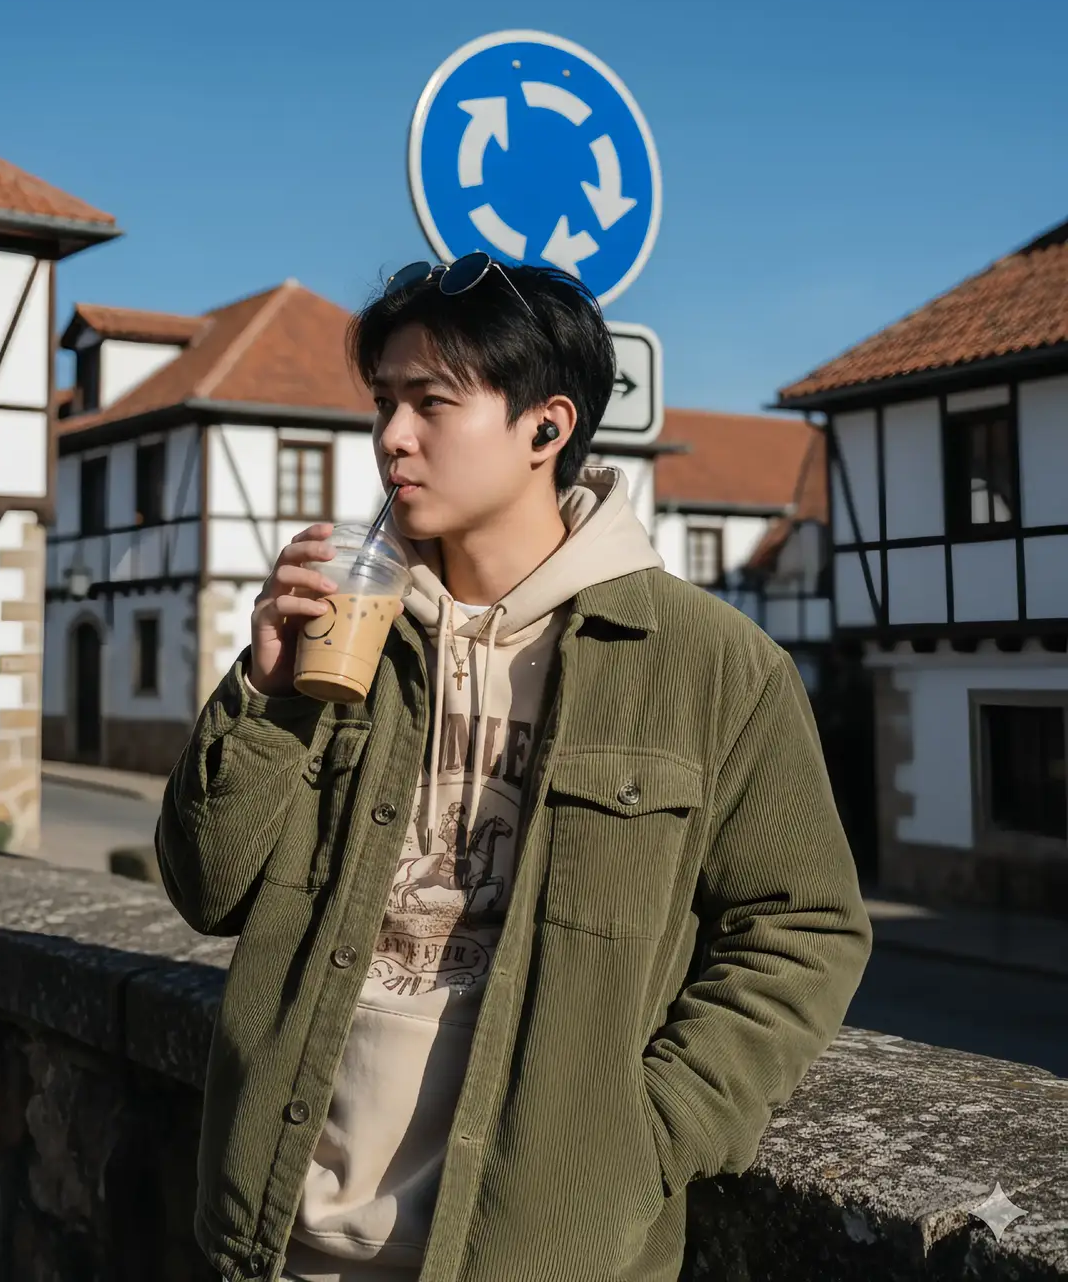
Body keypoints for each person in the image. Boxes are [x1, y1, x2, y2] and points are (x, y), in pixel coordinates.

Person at [156, 253, 872, 1282]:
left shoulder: (709, 665)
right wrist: (264, 694)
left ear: (546, 426)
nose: (391, 436)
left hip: (546, 1251)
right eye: (384, 403)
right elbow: (207, 889)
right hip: (281, 1240)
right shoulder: (345, 633)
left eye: (431, 403)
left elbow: (802, 928)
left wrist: (649, 1134)